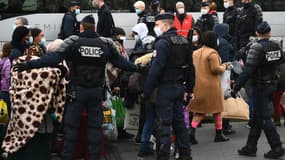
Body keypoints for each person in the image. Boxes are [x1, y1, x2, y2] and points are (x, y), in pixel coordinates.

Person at [13, 15, 140, 160]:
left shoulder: (74, 42)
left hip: (77, 92)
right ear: (95, 27)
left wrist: (29, 65)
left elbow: (53, 58)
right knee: (94, 128)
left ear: (81, 27)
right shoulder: (106, 44)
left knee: (71, 127)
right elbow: (121, 63)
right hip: (96, 92)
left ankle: (68, 156)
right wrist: (138, 67)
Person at [143, 13, 194, 160]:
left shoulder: (162, 43)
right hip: (179, 88)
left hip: (165, 89)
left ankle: (163, 156)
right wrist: (189, 90)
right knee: (180, 125)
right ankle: (186, 155)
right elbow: (191, 69)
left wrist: (146, 92)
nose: (156, 28)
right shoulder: (184, 42)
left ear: (166, 25)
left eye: (157, 25)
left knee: (164, 126)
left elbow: (155, 70)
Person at [232, 21, 285, 159]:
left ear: (257, 33)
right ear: (269, 32)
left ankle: (277, 147)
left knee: (265, 118)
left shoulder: (256, 47)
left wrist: (236, 87)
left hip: (259, 86)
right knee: (257, 117)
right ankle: (250, 147)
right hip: (272, 85)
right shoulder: (276, 45)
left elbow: (248, 70)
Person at [189, 31, 230, 145]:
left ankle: (191, 132)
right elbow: (216, 69)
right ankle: (218, 134)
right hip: (211, 86)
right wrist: (225, 66)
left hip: (198, 85)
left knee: (200, 111)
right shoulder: (212, 53)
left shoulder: (196, 52)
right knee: (217, 110)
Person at [0, 43, 12, 143]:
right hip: (6, 91)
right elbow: (8, 77)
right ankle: (3, 139)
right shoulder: (8, 61)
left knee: (2, 115)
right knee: (7, 117)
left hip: (2, 90)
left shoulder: (2, 60)